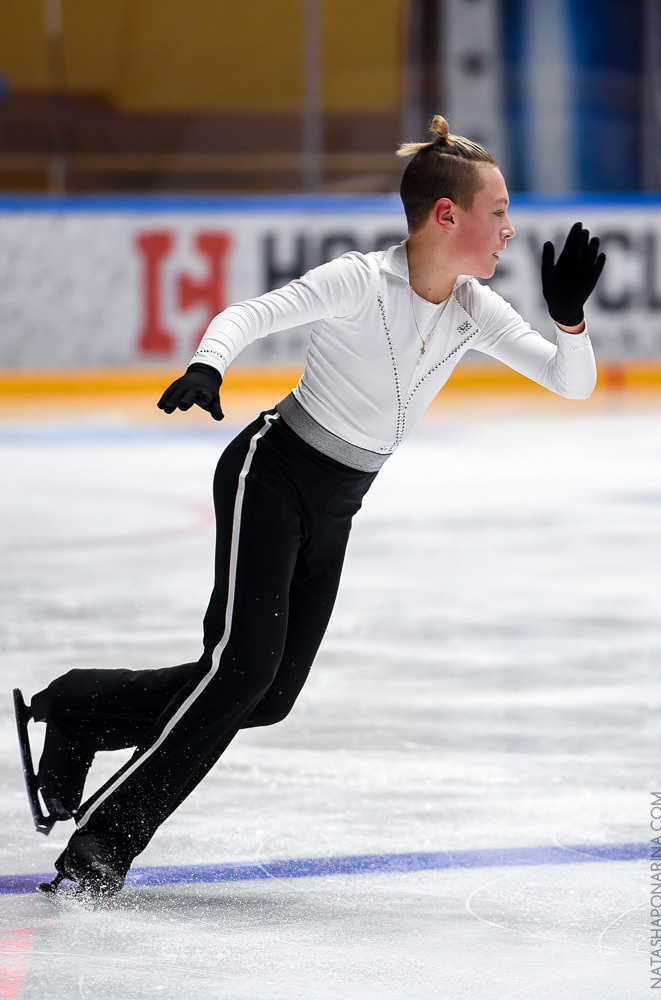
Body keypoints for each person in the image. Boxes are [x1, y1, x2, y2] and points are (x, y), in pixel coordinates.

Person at [17, 116, 605, 897]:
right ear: (446, 215)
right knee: (241, 670)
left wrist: (570, 322)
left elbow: (572, 381)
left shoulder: (472, 308)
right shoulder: (360, 281)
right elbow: (250, 314)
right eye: (497, 212)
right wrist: (209, 365)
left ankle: (79, 709)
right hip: (272, 474)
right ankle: (104, 842)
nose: (509, 229)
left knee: (267, 696)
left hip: (338, 503)